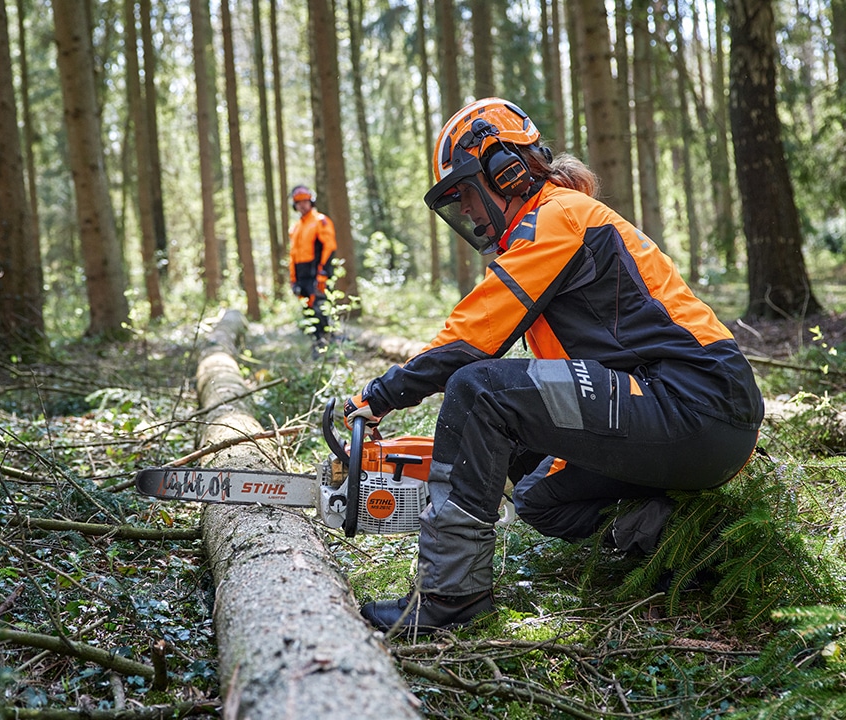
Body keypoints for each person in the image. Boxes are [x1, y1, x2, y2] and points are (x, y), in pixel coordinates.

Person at [343, 97, 764, 635]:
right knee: (539, 494)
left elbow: (473, 339)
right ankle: (690, 541)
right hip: (685, 416)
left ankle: (450, 598)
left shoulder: (558, 216)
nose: (468, 212)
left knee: (480, 391)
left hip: (695, 399)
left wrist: (378, 395)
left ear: (506, 170)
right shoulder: (548, 229)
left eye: (468, 194)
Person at [288, 185, 337, 349]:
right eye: (298, 202)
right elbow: (293, 256)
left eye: (305, 201)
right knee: (308, 312)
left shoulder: (320, 221)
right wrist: (293, 280)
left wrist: (323, 272)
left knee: (320, 309)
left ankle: (329, 344)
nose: (302, 205)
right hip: (302, 276)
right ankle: (317, 345)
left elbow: (329, 247)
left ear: (311, 202)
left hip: (317, 273)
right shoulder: (296, 227)